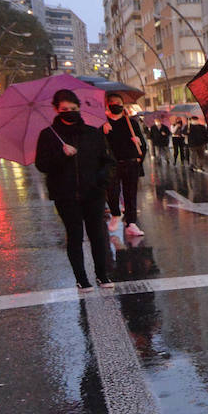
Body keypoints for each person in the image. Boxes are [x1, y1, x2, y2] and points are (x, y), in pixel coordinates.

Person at [34, 89, 115, 290]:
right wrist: (62, 155)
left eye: (73, 108)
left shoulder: (92, 133)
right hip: (65, 195)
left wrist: (101, 180)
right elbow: (41, 165)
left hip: (93, 193)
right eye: (64, 109)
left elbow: (108, 161)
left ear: (79, 108)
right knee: (75, 235)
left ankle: (102, 275)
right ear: (56, 109)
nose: (69, 111)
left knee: (97, 235)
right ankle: (81, 278)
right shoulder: (48, 136)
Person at [102, 94, 147, 237]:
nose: (116, 104)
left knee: (130, 194)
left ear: (123, 105)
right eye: (112, 102)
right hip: (112, 165)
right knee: (112, 192)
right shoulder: (103, 124)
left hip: (130, 162)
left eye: (118, 102)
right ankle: (115, 213)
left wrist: (138, 147)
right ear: (107, 105)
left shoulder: (131, 123)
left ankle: (131, 223)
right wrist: (102, 132)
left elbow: (143, 144)